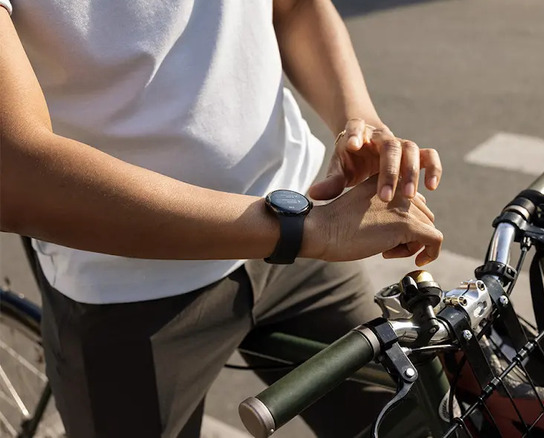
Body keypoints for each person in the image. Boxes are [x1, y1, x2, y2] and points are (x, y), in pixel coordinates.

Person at [0, 0, 443, 436]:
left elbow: (291, 8)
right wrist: (306, 230)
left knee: (413, 424)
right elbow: (13, 172)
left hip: (301, 227)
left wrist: (360, 120)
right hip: (129, 290)